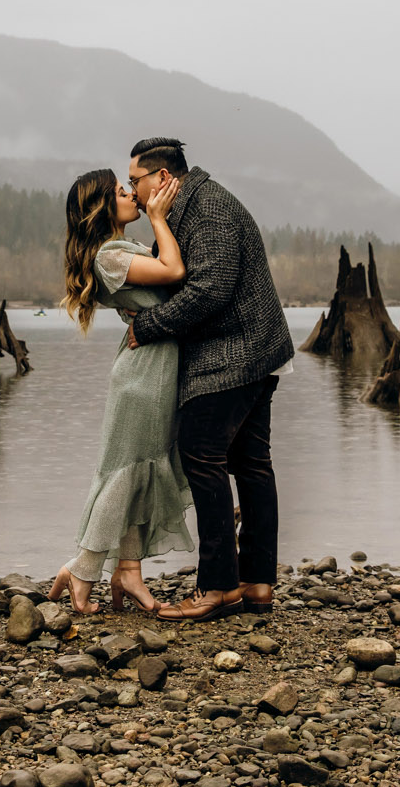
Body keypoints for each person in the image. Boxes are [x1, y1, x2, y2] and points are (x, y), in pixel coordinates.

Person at [124, 138, 294, 622]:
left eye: (135, 181)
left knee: (203, 456)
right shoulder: (191, 205)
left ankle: (218, 586)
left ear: (161, 178)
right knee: (251, 463)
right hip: (252, 351)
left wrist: (148, 326)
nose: (133, 192)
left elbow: (210, 289)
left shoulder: (210, 207)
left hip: (236, 355)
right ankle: (256, 582)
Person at [50, 166, 194, 614]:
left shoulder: (120, 248)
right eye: (121, 190)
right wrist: (158, 216)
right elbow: (174, 270)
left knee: (140, 471)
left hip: (154, 368)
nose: (132, 193)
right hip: (141, 377)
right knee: (126, 472)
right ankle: (83, 568)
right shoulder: (108, 255)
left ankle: (128, 572)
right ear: (102, 207)